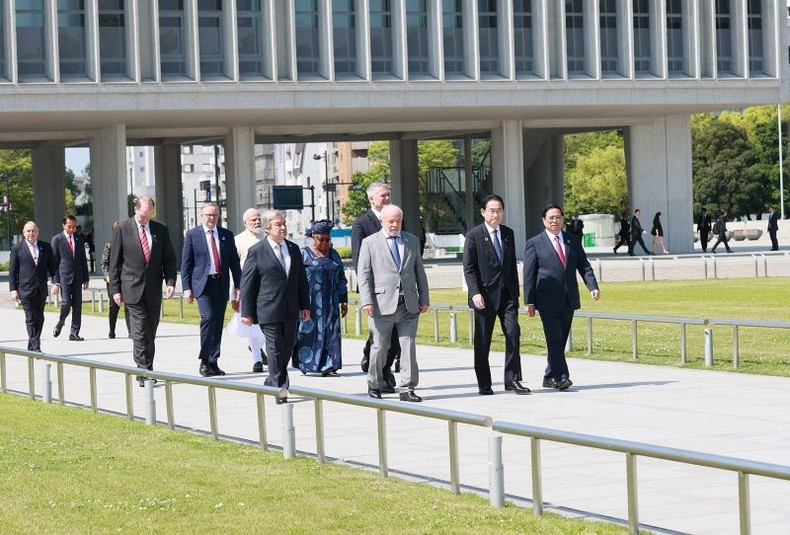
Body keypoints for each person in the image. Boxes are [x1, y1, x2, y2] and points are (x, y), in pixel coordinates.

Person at [523, 204, 600, 391]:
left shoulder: (573, 240)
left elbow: (584, 266)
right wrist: (529, 301)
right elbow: (528, 275)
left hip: (568, 299)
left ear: (563, 220)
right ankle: (562, 376)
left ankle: (549, 376)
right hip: (546, 299)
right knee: (554, 338)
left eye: (558, 217)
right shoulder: (535, 243)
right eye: (551, 218)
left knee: (561, 339)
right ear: (544, 220)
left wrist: (592, 286)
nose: (555, 221)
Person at [358, 204, 430, 402]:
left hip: (408, 304)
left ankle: (407, 387)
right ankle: (374, 383)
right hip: (381, 305)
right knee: (380, 347)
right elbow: (364, 275)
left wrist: (424, 298)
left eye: (398, 221)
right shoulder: (369, 243)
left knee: (408, 346)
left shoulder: (411, 240)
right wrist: (366, 301)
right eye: (391, 221)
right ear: (382, 221)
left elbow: (419, 271)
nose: (395, 225)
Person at [240, 210, 310, 405]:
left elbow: (301, 280)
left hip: (291, 308)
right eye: (278, 224)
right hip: (268, 308)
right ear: (267, 228)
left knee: (287, 347)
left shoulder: (293, 249)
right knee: (275, 348)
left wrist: (305, 305)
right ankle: (280, 388)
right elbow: (247, 283)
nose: (283, 227)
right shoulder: (257, 251)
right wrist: (246, 312)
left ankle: (273, 378)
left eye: (284, 224)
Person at [462, 194, 529, 396]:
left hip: (507, 295)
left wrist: (516, 293)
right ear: (483, 212)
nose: (495, 214)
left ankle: (513, 380)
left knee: (513, 334)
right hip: (484, 296)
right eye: (492, 210)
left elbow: (510, 266)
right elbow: (469, 268)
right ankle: (484, 383)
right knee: (483, 341)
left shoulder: (508, 233)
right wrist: (475, 293)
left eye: (499, 210)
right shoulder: (474, 235)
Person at [109, 196, 178, 387]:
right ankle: (144, 371)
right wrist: (115, 289)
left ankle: (148, 367)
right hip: (131, 288)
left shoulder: (160, 229)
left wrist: (170, 281)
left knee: (150, 332)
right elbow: (115, 262)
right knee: (139, 332)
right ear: (135, 209)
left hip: (153, 289)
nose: (145, 219)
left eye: (149, 216)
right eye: (142, 216)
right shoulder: (123, 228)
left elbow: (169, 259)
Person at [182, 203, 242, 377]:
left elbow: (234, 263)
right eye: (208, 215)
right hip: (203, 285)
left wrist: (239, 286)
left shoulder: (226, 235)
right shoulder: (193, 235)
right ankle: (204, 360)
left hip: (220, 284)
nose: (211, 218)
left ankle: (213, 362)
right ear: (202, 216)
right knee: (208, 318)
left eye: (214, 215)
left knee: (218, 323)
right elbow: (186, 264)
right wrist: (186, 288)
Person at [351, 181, 400, 386]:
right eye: (382, 195)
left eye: (388, 194)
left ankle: (381, 366)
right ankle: (381, 374)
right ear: (371, 199)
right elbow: (359, 261)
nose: (387, 198)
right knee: (381, 336)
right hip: (376, 290)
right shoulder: (362, 224)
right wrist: (367, 294)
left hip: (397, 290)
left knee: (395, 335)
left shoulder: (396, 219)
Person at [295, 219, 348, 377]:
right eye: (321, 239)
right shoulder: (303, 254)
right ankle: (306, 363)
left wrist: (343, 301)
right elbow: (296, 280)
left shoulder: (334, 254)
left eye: (327, 239)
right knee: (308, 333)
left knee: (331, 333)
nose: (324, 243)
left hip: (331, 303)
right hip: (310, 303)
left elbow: (341, 278)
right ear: (313, 237)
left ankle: (330, 367)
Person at [9, 221, 55, 352]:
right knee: (31, 317)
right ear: (24, 233)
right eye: (28, 231)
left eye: (33, 231)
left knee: (40, 317)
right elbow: (13, 271)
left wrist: (56, 283)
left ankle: (31, 345)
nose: (31, 233)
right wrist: (13, 290)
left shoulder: (45, 247)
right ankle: (36, 346)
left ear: (37, 232)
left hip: (41, 289)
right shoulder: (17, 248)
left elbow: (53, 268)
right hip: (25, 289)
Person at [234, 208, 267, 372]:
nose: (257, 222)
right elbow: (233, 268)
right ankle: (257, 360)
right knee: (252, 326)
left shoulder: (268, 237)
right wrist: (234, 293)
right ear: (245, 222)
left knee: (268, 325)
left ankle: (257, 347)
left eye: (258, 218)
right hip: (247, 288)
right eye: (253, 219)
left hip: (267, 287)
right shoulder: (238, 240)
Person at [51, 215, 90, 341]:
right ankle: (61, 322)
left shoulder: (79, 239)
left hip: (77, 277)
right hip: (64, 277)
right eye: (69, 226)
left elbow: (82, 259)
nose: (72, 229)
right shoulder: (57, 239)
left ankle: (74, 332)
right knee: (66, 303)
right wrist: (56, 281)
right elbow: (54, 262)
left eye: (74, 227)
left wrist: (86, 277)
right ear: (63, 225)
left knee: (77, 305)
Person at [101, 221, 130, 339]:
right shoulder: (109, 245)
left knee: (129, 305)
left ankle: (131, 331)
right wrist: (107, 275)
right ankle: (112, 330)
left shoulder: (128, 244)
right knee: (114, 306)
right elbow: (104, 263)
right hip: (113, 279)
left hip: (127, 278)